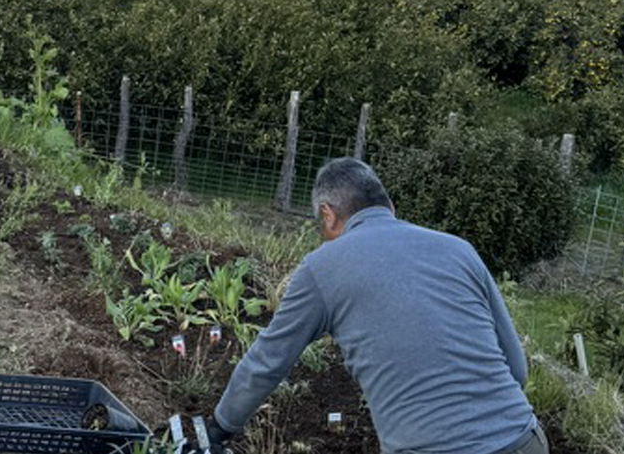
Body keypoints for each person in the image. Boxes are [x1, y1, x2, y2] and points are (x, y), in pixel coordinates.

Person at [205, 157, 547, 454]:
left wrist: (219, 429)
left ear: (327, 215)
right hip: (523, 438)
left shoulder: (321, 267)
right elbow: (516, 368)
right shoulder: (459, 250)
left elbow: (268, 360)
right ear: (389, 207)